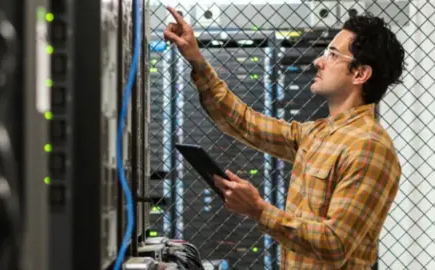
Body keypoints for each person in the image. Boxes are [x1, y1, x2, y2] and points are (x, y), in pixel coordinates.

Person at [163, 6, 405, 269]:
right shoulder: (317, 133)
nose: (319, 61)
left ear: (360, 74)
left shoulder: (369, 148)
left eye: (333, 54)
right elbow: (244, 123)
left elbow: (335, 245)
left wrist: (258, 209)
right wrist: (196, 59)